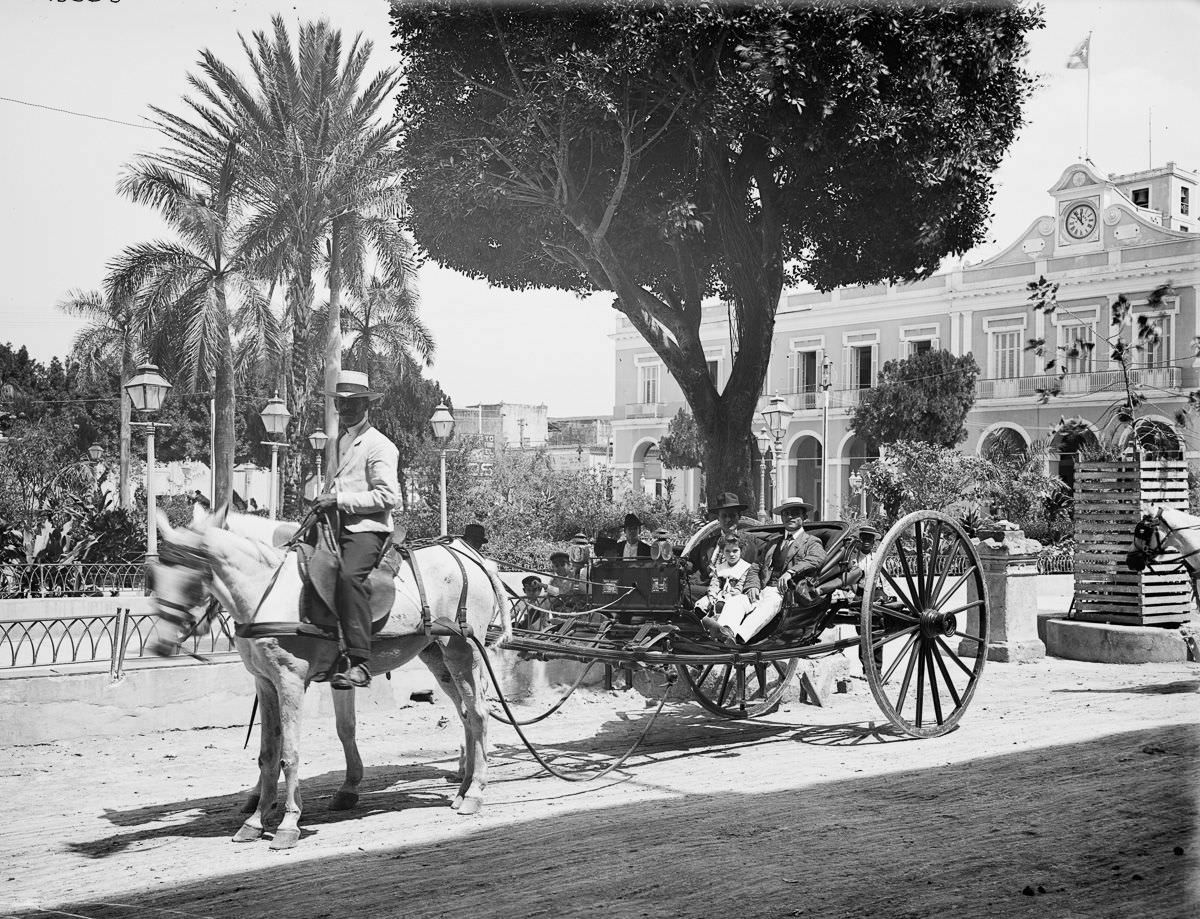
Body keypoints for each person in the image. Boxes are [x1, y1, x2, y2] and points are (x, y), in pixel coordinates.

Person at [310, 370, 400, 690]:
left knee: (349, 577)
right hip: (333, 525)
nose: (345, 409)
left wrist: (339, 499)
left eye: (352, 403)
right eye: (341, 404)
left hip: (366, 529)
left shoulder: (379, 445)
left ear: (365, 405)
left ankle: (361, 661)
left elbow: (390, 497)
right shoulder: (340, 441)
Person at [731, 496, 826, 644]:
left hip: (786, 595)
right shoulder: (774, 543)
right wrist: (752, 586)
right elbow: (756, 566)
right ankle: (724, 632)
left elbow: (817, 558)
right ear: (781, 518)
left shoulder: (811, 542)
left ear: (804, 516)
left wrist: (790, 572)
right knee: (737, 600)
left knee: (771, 601)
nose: (789, 517)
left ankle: (738, 639)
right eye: (785, 514)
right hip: (763, 589)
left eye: (794, 513)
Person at [694, 535, 761, 644]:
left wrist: (732, 593)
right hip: (722, 593)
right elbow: (715, 583)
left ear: (740, 551)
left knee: (727, 604)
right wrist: (712, 595)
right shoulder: (721, 567)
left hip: (737, 595)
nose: (731, 554)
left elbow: (742, 583)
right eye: (728, 551)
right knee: (703, 602)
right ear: (723, 552)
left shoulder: (745, 567)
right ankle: (701, 623)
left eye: (735, 551)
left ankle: (722, 631)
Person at [685, 492, 760, 585]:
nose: (728, 520)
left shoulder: (750, 541)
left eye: (732, 515)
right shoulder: (705, 544)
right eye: (724, 516)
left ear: (739, 517)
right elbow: (690, 564)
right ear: (718, 518)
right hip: (707, 588)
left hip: (737, 589)